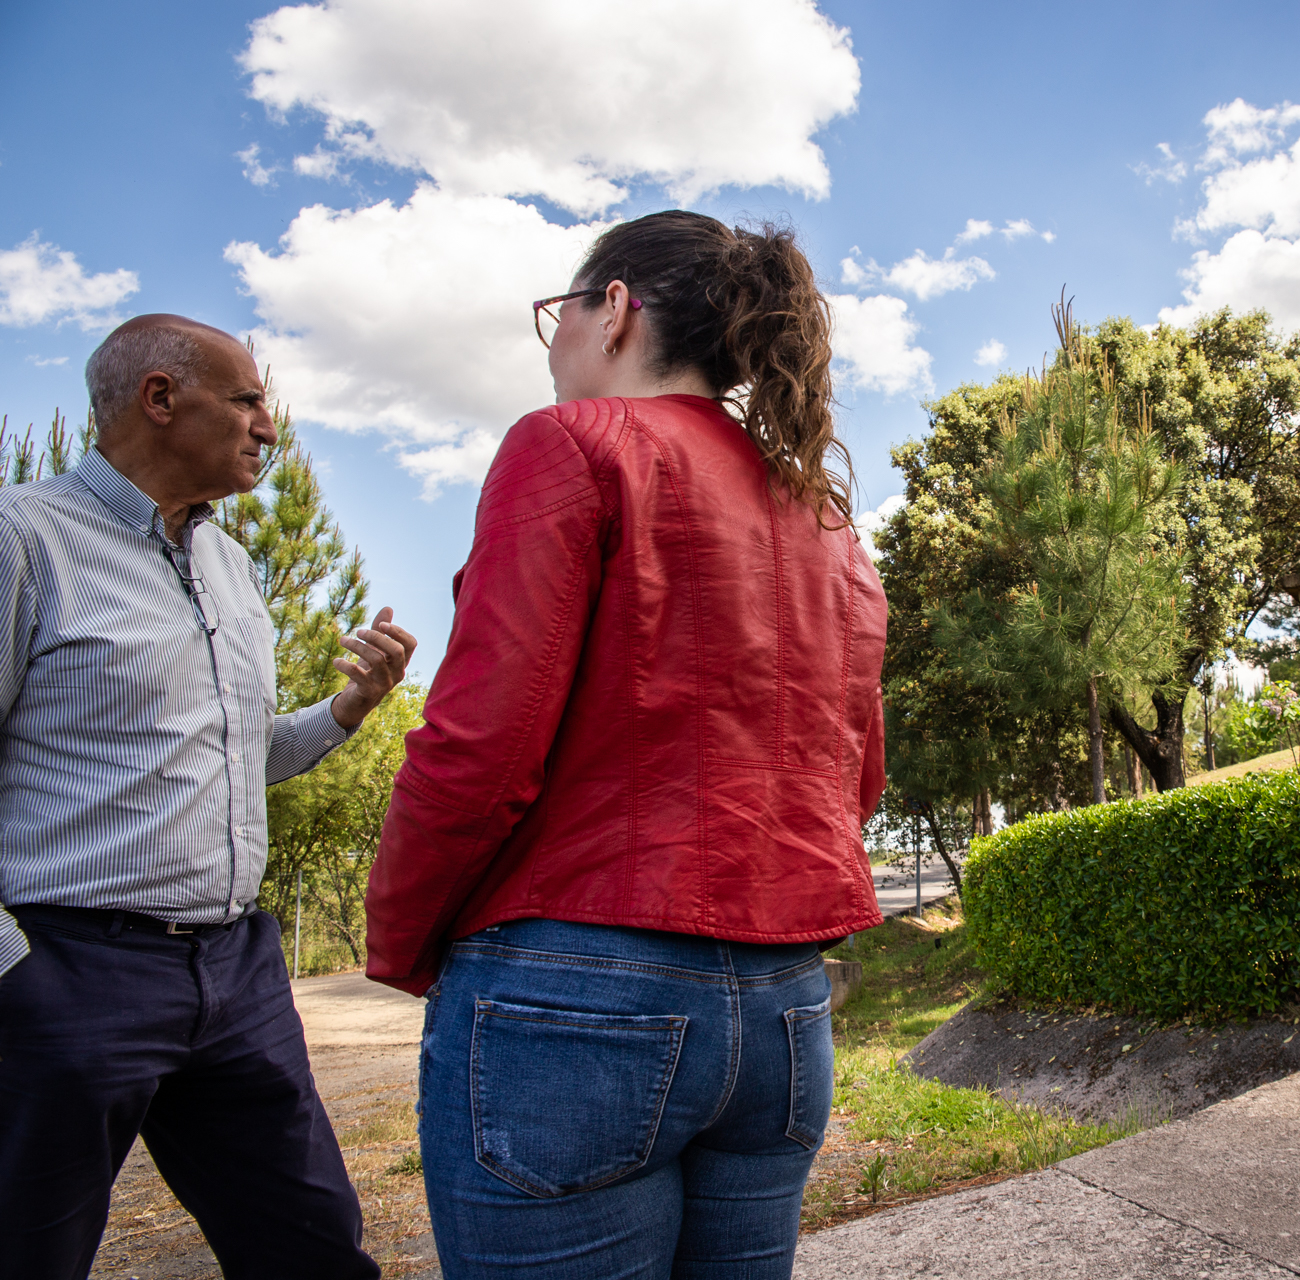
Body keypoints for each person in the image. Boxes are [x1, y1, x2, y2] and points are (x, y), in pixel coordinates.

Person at [364, 210, 888, 1279]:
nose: (552, 341)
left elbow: (480, 745)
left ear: (612, 309)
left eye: (557, 313)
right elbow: (855, 775)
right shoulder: (827, 522)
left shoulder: (569, 445)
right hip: (785, 1008)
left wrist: (404, 933)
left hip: (578, 984)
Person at [0, 315, 417, 1279]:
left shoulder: (228, 565)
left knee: (313, 1250)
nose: (269, 425)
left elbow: (224, 754)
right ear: (159, 398)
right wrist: (16, 976)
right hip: (68, 974)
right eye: (248, 399)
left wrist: (349, 710)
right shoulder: (24, 539)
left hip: (237, 973)